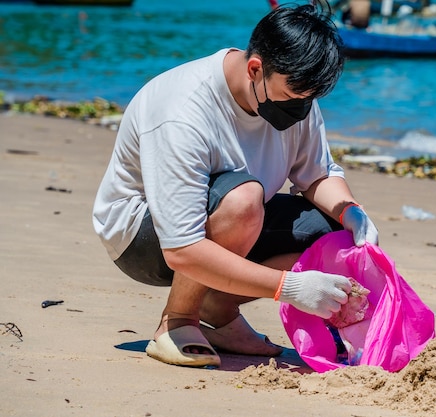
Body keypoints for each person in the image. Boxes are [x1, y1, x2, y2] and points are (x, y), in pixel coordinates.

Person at [92, 0, 378, 368]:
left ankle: (219, 311)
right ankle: (177, 320)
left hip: (232, 224)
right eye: (293, 99)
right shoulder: (183, 111)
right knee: (243, 198)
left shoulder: (295, 89)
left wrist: (353, 214)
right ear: (256, 68)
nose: (301, 111)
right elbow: (181, 248)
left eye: (310, 101)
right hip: (143, 239)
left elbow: (317, 175)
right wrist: (289, 288)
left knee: (331, 228)